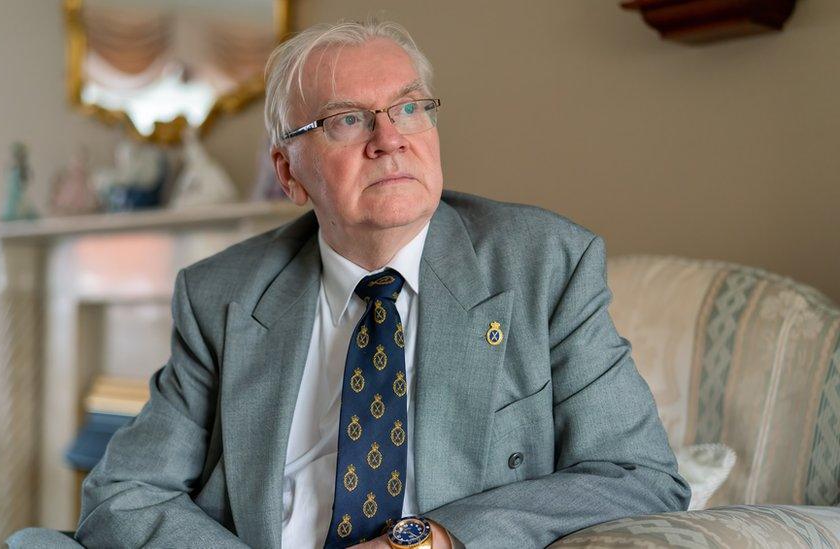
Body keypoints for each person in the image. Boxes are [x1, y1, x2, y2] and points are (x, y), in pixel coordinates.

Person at [74, 19, 690, 549]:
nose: (389, 139)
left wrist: (436, 541)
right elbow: (125, 491)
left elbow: (638, 474)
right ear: (289, 173)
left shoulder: (545, 264)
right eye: (346, 120)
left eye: (410, 108)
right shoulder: (223, 295)